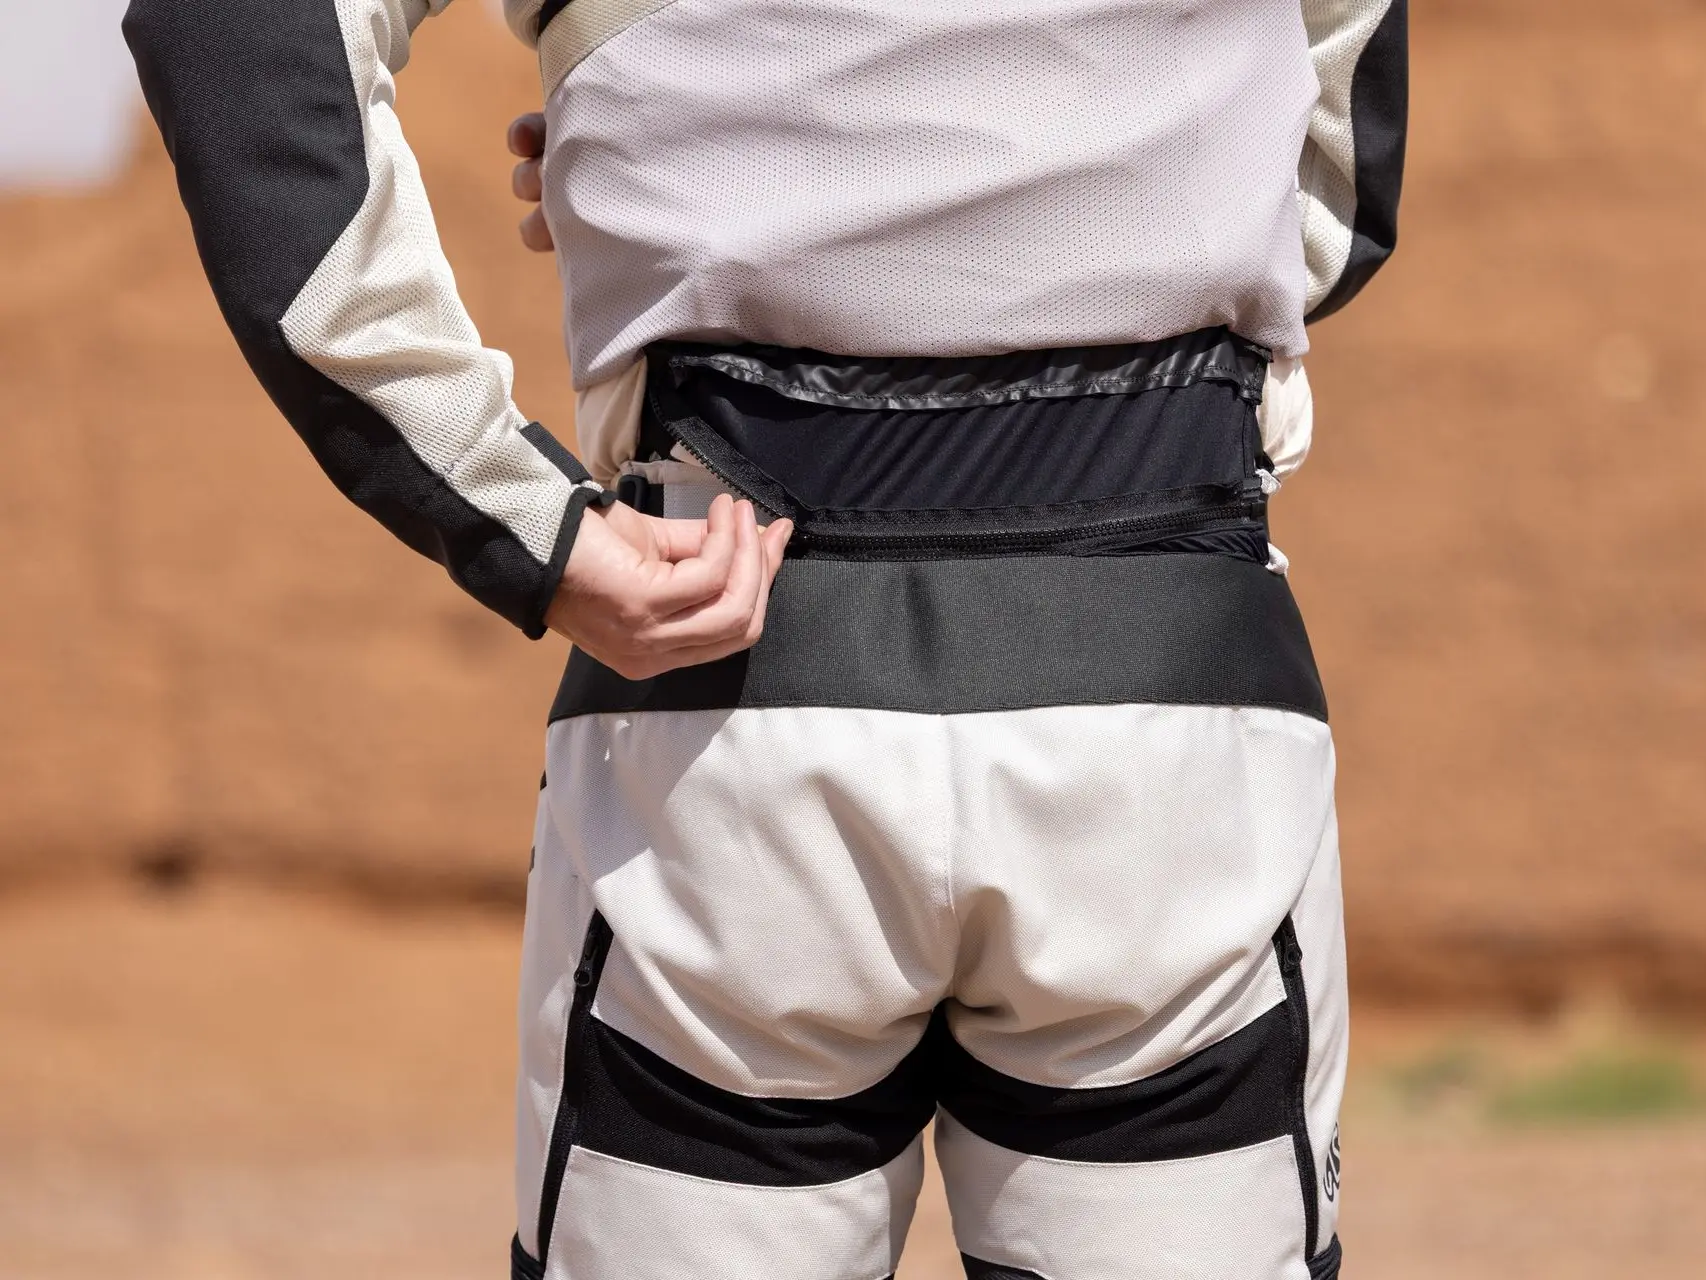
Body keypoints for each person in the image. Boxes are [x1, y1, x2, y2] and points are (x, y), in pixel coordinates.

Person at [123, 1, 1406, 1276]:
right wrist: (1090, 207)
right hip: (1163, 694)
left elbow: (232, 30)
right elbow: (1337, 154)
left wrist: (537, 490)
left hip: (726, 689)